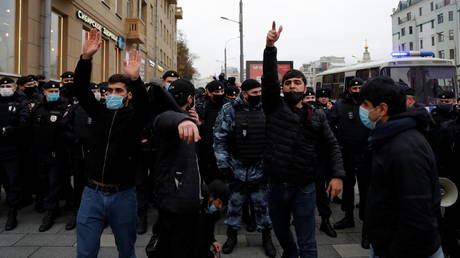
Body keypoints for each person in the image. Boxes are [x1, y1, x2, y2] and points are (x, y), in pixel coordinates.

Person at [263, 22, 344, 258]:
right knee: (280, 229)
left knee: (307, 238)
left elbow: (332, 146)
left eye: (296, 82)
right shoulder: (274, 108)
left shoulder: (317, 115)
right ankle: (290, 253)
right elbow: (268, 79)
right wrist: (270, 47)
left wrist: (337, 175)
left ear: (305, 87)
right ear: (282, 89)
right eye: (287, 83)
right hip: (277, 186)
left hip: (305, 187)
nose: (291, 86)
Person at [74, 29, 150, 258]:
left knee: (126, 250)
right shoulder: (98, 112)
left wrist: (135, 79)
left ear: (128, 95)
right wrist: (85, 59)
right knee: (85, 252)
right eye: (109, 90)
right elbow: (79, 89)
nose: (112, 93)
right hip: (92, 194)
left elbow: (146, 107)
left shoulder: (134, 118)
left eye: (119, 90)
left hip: (123, 196)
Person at [360, 76, 443, 258]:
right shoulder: (389, 138)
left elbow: (417, 215)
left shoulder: (405, 148)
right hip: (387, 241)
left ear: (382, 109)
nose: (363, 110)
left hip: (405, 249)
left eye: (365, 104)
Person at [214, 79, 276, 257]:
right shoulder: (229, 110)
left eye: (260, 92)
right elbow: (220, 138)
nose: (259, 96)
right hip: (237, 166)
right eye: (255, 93)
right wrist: (223, 163)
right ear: (245, 93)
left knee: (262, 206)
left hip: (260, 166)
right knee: (234, 205)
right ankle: (231, 237)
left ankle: (267, 238)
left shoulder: (266, 109)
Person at [152, 79, 204, 258]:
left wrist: (197, 124)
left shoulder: (194, 120)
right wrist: (183, 120)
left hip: (192, 202)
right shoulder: (166, 117)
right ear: (190, 99)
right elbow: (165, 120)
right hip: (175, 205)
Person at [329, 77, 372, 248]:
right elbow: (330, 124)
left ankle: (367, 229)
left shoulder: (369, 105)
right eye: (354, 88)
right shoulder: (340, 105)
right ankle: (348, 217)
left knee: (366, 190)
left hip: (366, 154)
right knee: (347, 187)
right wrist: (337, 142)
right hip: (346, 152)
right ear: (348, 89)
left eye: (360, 87)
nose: (357, 90)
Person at [31, 81, 74, 232]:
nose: (54, 93)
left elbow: (70, 131)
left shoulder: (65, 108)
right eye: (51, 90)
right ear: (44, 92)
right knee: (44, 181)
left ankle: (51, 211)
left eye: (56, 90)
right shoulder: (37, 108)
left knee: (54, 182)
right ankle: (61, 203)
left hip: (58, 152)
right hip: (41, 153)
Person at [65, 82, 101, 231]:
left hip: (97, 153)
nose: (94, 93)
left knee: (97, 182)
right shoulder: (76, 108)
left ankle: (98, 212)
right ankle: (77, 211)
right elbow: (64, 126)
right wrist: (74, 138)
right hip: (79, 152)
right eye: (91, 90)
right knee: (79, 182)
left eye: (96, 90)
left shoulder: (103, 108)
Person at [0, 77, 30, 231]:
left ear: (14, 87)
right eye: (2, 85)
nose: (5, 88)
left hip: (13, 149)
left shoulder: (21, 102)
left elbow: (24, 122)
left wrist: (11, 129)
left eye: (8, 85)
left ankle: (13, 212)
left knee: (13, 182)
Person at [196, 80, 228, 183]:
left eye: (222, 91)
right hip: (206, 150)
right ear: (209, 93)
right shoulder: (201, 106)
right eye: (216, 92)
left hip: (224, 151)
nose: (220, 94)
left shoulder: (228, 106)